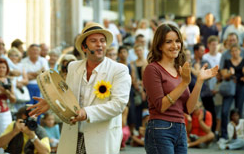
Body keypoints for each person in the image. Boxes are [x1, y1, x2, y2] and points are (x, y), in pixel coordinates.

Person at [28, 22, 131, 154]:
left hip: (101, 138)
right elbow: (67, 95)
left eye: (102, 41)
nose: (99, 44)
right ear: (84, 47)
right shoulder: (73, 66)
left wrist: (86, 112)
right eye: (93, 41)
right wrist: (51, 102)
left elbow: (118, 105)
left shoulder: (119, 70)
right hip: (72, 135)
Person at [143, 23, 218, 154]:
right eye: (169, 42)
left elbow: (188, 109)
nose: (175, 45)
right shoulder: (152, 69)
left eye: (177, 41)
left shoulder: (179, 69)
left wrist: (199, 81)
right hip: (160, 128)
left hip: (181, 129)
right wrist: (183, 83)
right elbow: (161, 106)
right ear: (159, 45)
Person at [0, 59, 16, 151]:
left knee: (4, 140)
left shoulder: (9, 81)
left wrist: (7, 92)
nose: (1, 69)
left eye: (4, 67)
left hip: (4, 113)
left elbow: (13, 100)